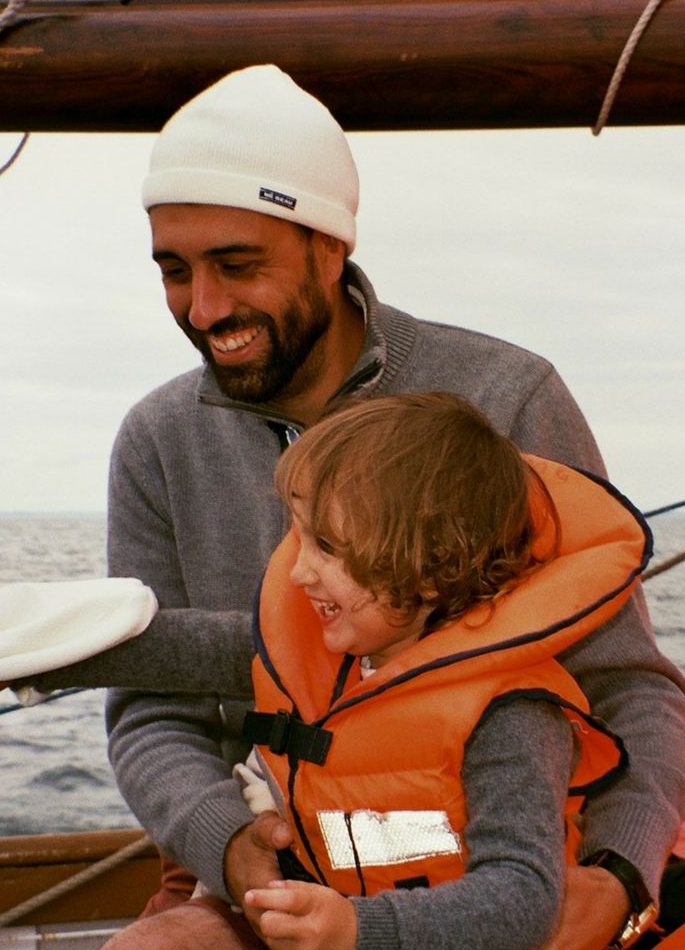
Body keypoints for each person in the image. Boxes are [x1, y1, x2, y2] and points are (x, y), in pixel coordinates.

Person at [0, 63, 685, 949]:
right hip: (261, 842)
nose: (203, 308)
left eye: (236, 266)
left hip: (488, 868)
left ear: (331, 250)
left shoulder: (507, 399)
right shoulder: (156, 438)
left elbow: (629, 687)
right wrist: (231, 846)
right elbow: (159, 691)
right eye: (174, 271)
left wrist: (620, 880)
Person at [140, 390, 649, 950]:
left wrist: (359, 929)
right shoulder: (331, 647)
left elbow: (522, 898)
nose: (298, 573)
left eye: (327, 546)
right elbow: (184, 646)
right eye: (299, 538)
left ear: (428, 571)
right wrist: (48, 654)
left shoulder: (512, 714)